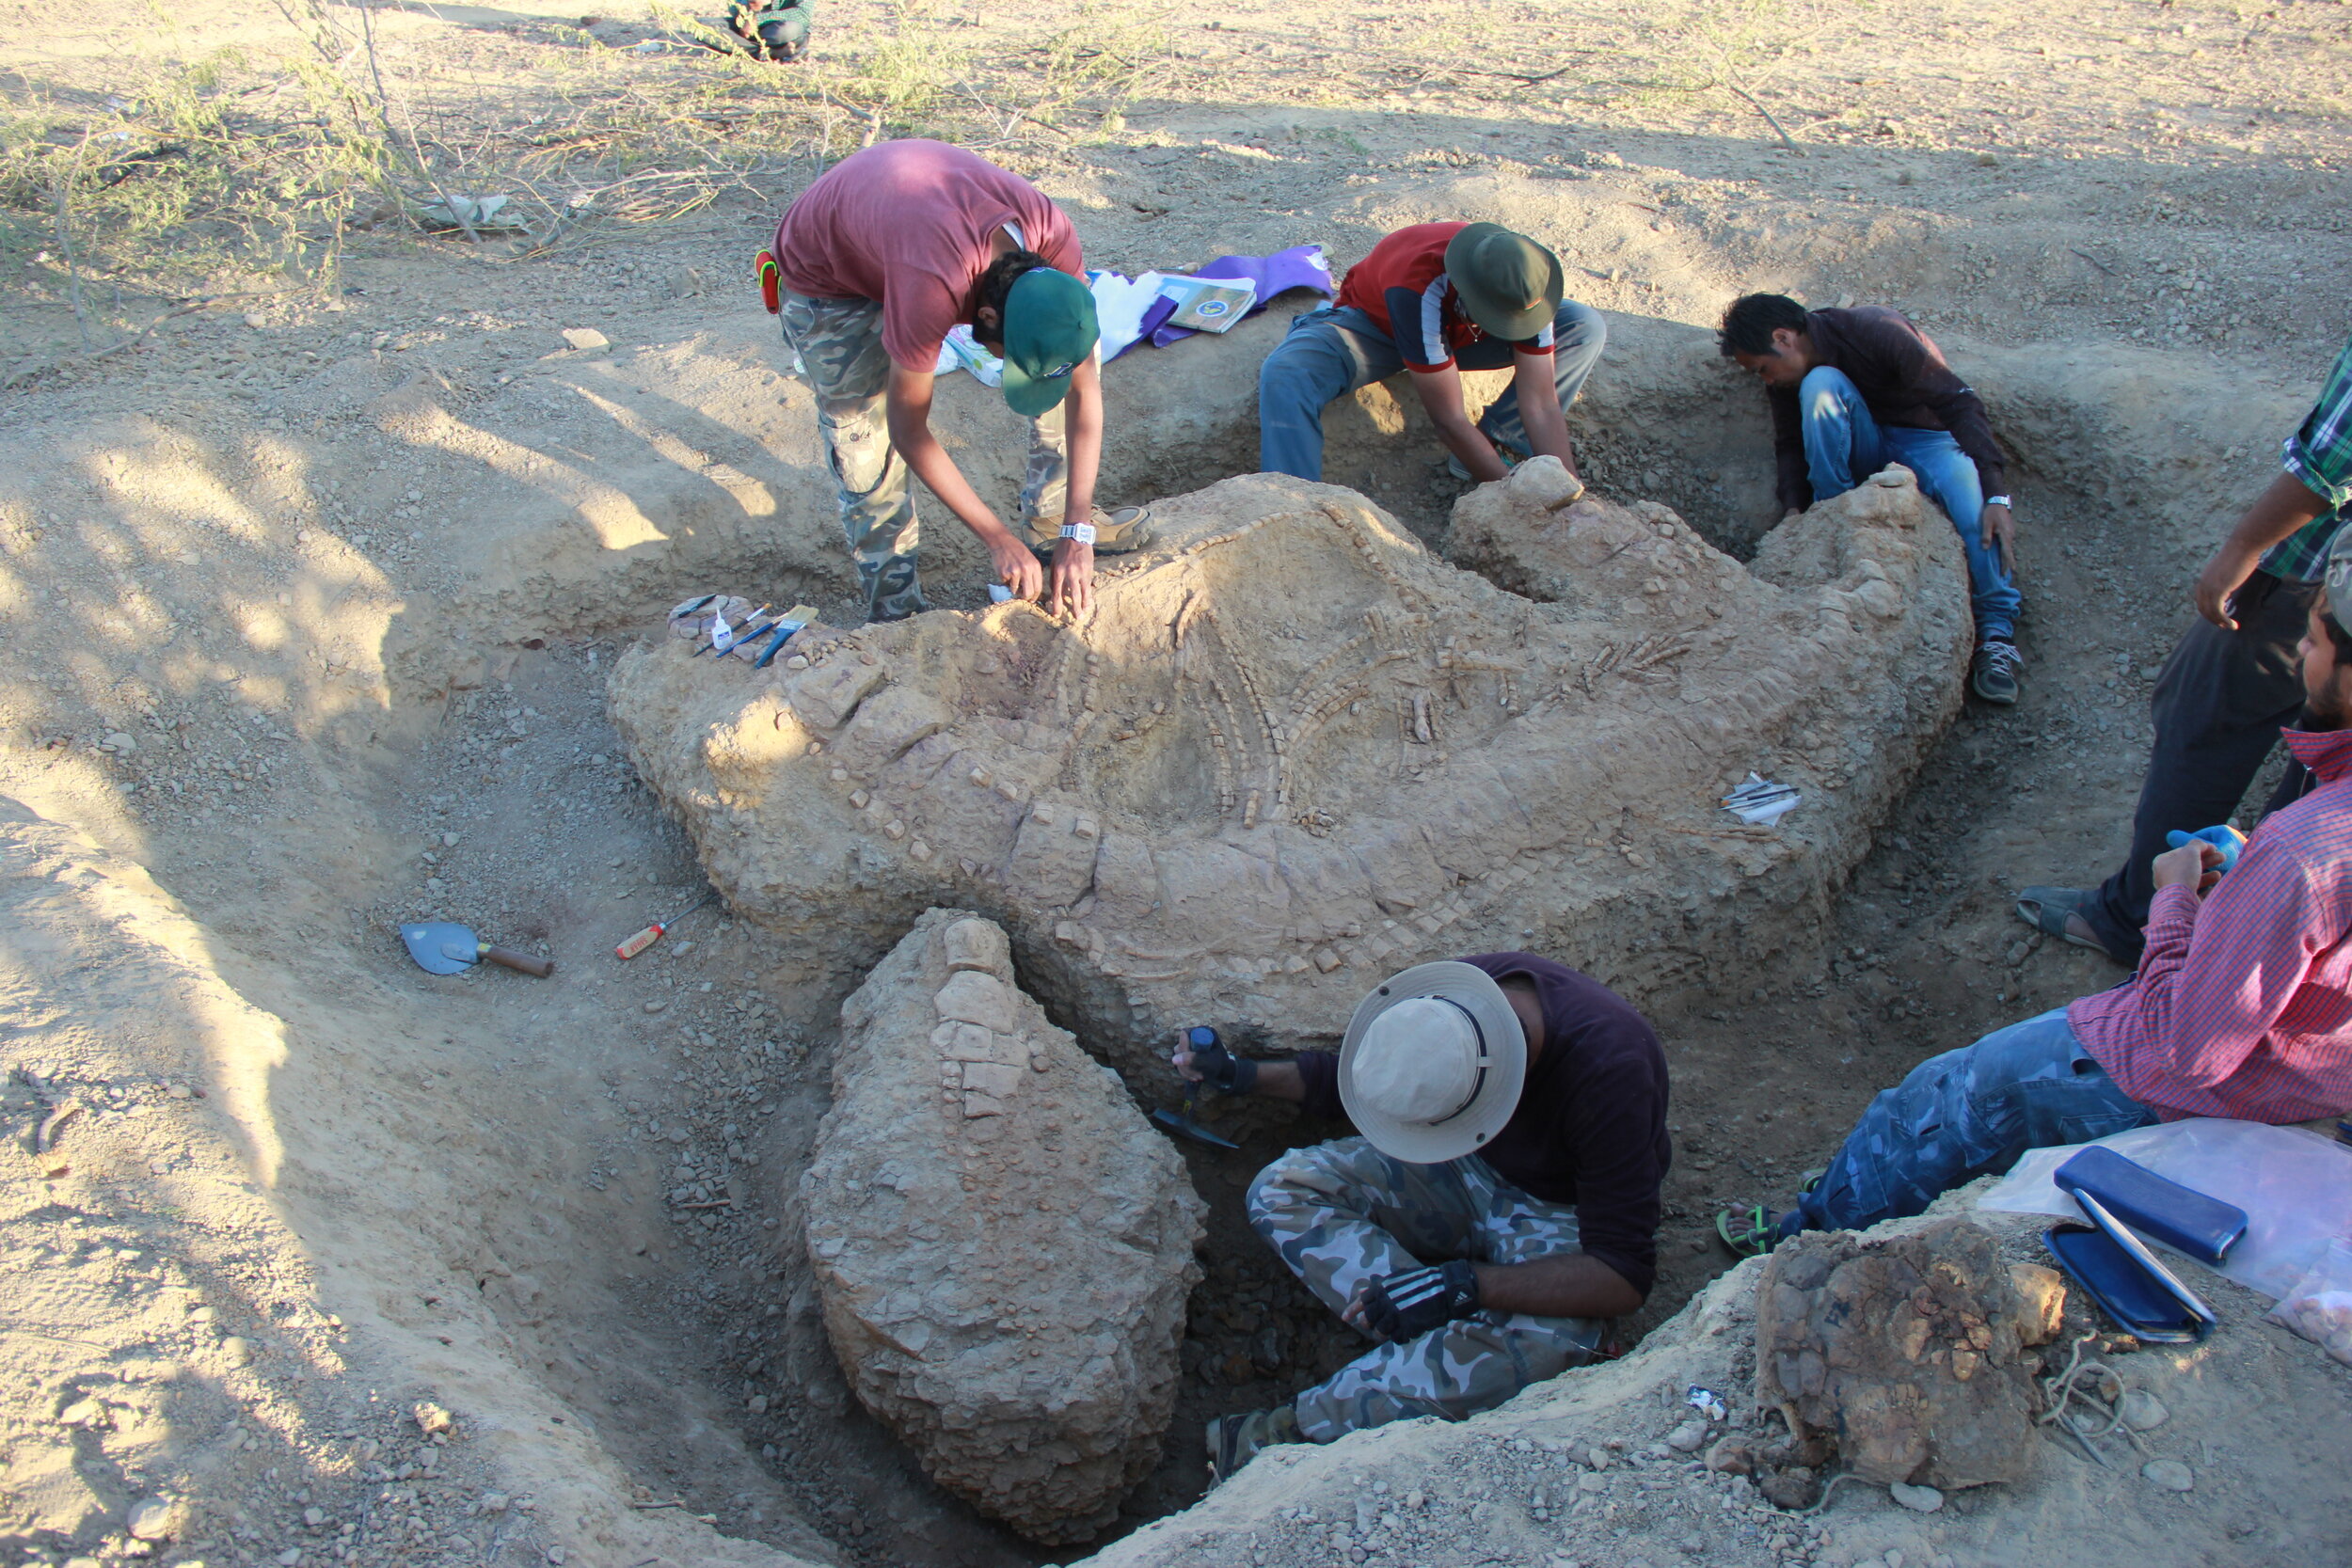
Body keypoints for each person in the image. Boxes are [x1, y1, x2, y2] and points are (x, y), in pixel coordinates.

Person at [1722, 530, 2352, 1255]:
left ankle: (1807, 1241)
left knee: (1934, 1102)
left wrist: (2176, 901)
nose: (2300, 653)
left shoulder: (2305, 850)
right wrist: (2248, 893)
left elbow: (2189, 1047)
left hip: (2179, 1078)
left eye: (2313, 639)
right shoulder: (2307, 843)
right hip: (2301, 1074)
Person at [1181, 956, 1671, 1481]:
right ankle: (1431, 1343)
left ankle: (1289, 1434)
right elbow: (1354, 1082)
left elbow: (1623, 1274)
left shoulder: (1612, 1072)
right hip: (1460, 1166)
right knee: (1284, 1187)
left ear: (1504, 1079)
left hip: (1558, 1208)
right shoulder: (1452, 1002)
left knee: (1549, 1341)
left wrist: (1463, 1285)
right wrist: (1241, 1075)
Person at [2015, 332, 2352, 964]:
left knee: (2204, 714)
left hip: (2317, 576)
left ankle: (2139, 919)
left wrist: (2241, 552)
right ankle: (2276, 943)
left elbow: (2329, 464)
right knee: (2329, 761)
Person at [765, 138, 1151, 622]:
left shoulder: (1054, 243)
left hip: (904, 227)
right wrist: (998, 540)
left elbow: (1083, 386)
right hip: (828, 273)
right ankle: (897, 613)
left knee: (1056, 355)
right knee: (865, 439)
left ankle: (1054, 525)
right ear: (980, 317)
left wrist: (1080, 530)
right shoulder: (933, 284)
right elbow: (909, 431)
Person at [1718, 293, 2025, 705]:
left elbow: (1958, 402)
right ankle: (1836, 511)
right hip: (1865, 444)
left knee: (1974, 512)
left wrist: (1996, 493)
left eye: (1763, 369)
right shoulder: (1794, 375)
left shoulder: (1877, 331)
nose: (1767, 381)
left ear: (1783, 337)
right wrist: (1794, 507)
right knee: (1821, 385)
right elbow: (1791, 441)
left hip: (1926, 438)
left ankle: (1996, 632)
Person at [1257, 222, 1607, 491]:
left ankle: (1491, 442)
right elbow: (1450, 421)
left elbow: (1542, 404)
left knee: (1582, 325)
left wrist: (1569, 493)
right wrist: (1512, 496)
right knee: (1288, 374)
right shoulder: (1417, 282)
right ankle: (1294, 507)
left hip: (1460, 334)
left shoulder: (1524, 286)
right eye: (1498, 317)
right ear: (1468, 292)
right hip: (1377, 330)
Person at [725, 0, 813, 60]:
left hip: (779, 29)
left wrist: (759, 19)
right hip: (747, 27)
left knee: (786, 31)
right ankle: (773, 53)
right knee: (712, 29)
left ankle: (743, 48)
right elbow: (733, 6)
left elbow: (803, 14)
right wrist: (747, 5)